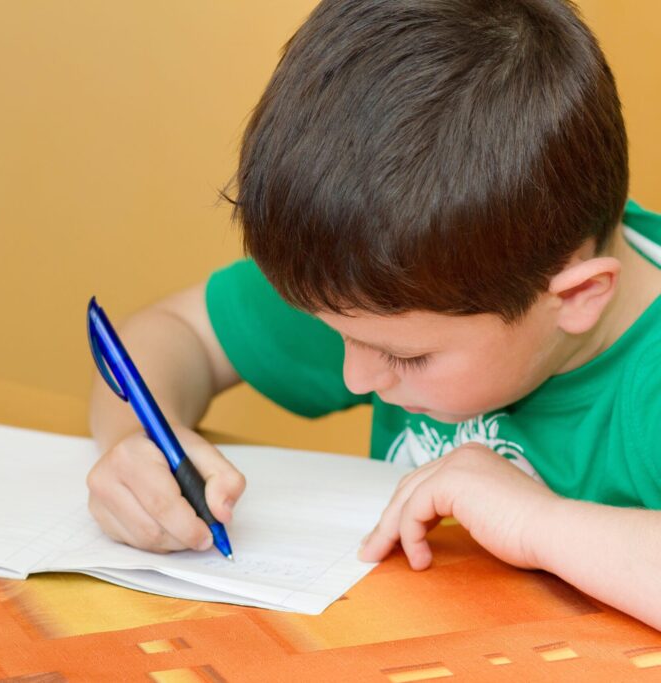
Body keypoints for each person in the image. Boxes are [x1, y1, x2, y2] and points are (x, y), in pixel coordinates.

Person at [87, 0, 661, 628]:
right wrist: (139, 446)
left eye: (405, 357)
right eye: (337, 334)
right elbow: (175, 333)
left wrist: (537, 522)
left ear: (576, 297)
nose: (356, 377)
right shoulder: (382, 282)